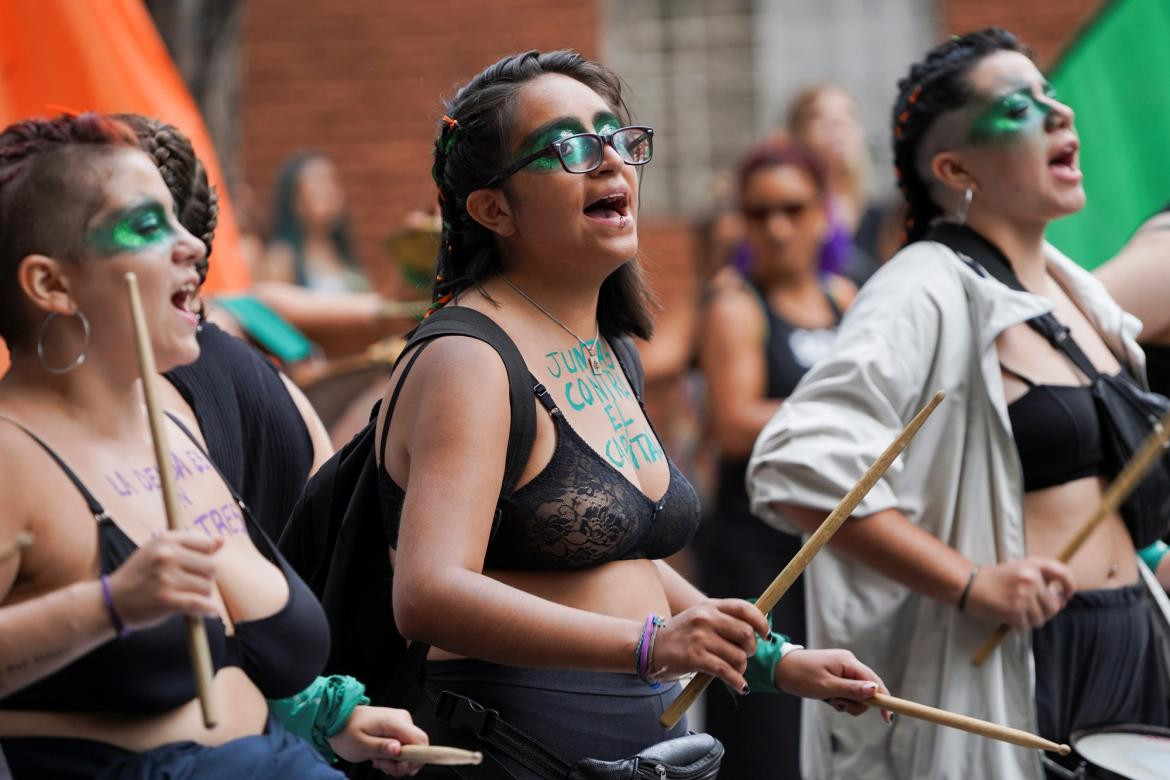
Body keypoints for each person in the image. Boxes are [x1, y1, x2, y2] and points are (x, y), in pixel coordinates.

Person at [372, 50, 890, 778]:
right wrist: (650, 646)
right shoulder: (470, 358)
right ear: (494, 209)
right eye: (572, 147)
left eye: (617, 137)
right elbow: (427, 594)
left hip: (634, 742)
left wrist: (771, 659)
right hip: (516, 748)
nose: (611, 160)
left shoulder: (611, 347)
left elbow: (628, 559)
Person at [748, 29, 1170, 780]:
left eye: (1050, 95)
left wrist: (1147, 560)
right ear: (955, 168)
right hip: (1030, 663)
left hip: (1130, 643)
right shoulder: (923, 285)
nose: (1059, 113)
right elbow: (797, 461)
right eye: (1020, 107)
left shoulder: (1077, 290)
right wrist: (970, 584)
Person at [0, 114, 425, 777]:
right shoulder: (11, 455)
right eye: (146, 226)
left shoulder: (173, 418)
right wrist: (106, 606)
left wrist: (326, 717)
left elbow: (234, 652)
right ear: (50, 284)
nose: (192, 247)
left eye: (177, 220)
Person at [696, 138, 854, 779]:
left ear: (824, 212)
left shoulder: (846, 295)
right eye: (759, 213)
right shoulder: (734, 302)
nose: (777, 227)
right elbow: (734, 423)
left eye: (792, 208)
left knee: (840, 721)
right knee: (768, 739)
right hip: (756, 549)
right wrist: (847, 414)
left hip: (839, 544)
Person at [785, 84, 884, 283]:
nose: (839, 126)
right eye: (821, 117)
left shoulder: (883, 219)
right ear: (797, 134)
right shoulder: (783, 215)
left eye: (849, 116)